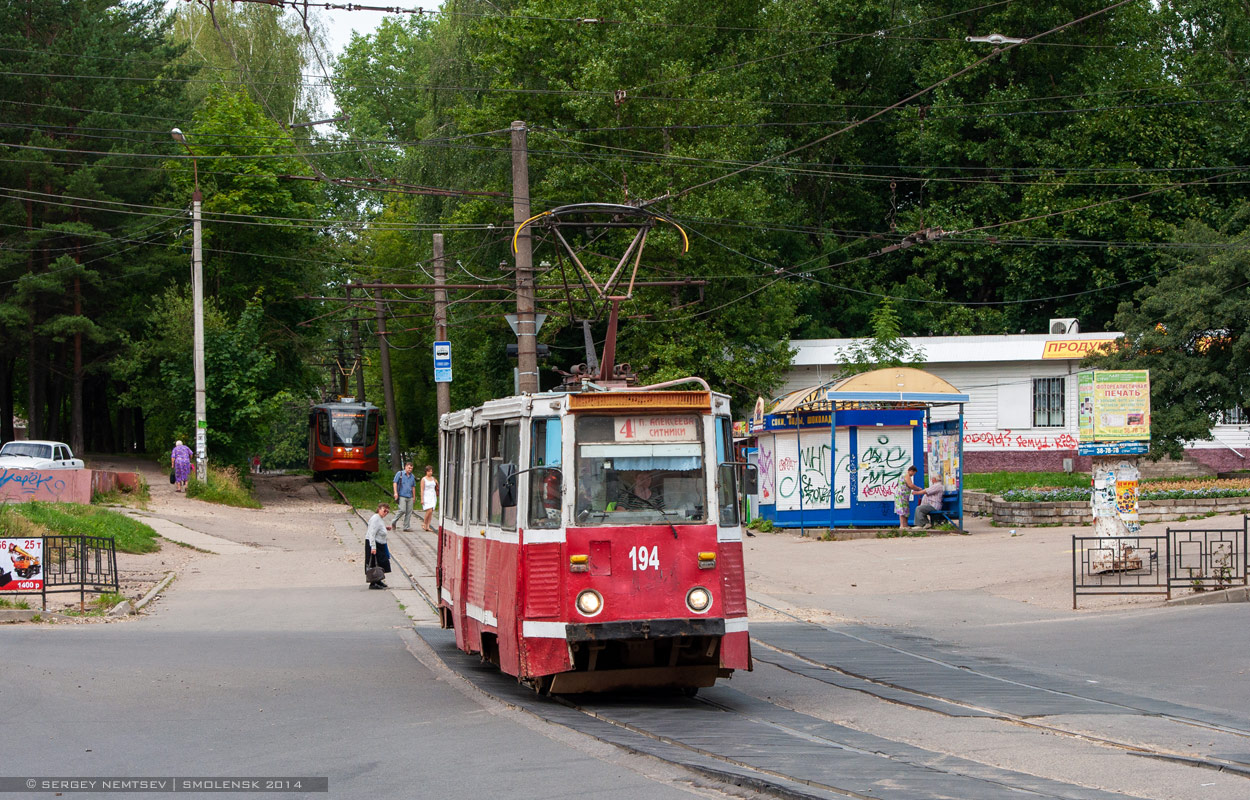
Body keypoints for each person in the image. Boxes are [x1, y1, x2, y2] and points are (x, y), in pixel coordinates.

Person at [365, 502, 392, 589]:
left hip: (380, 543)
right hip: (374, 543)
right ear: (379, 509)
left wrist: (385, 528)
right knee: (374, 563)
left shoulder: (379, 518)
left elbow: (378, 528)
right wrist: (373, 547)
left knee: (381, 562)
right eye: (384, 511)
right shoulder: (375, 518)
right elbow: (372, 533)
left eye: (387, 512)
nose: (385, 513)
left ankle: (378, 580)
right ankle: (373, 583)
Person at [392, 462, 416, 531]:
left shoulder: (412, 476)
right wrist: (395, 492)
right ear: (405, 467)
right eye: (409, 468)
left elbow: (413, 487)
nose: (410, 469)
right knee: (402, 510)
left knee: (409, 511)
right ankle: (394, 521)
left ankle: (406, 526)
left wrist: (414, 497)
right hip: (402, 495)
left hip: (410, 496)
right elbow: (395, 483)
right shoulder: (400, 474)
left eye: (411, 468)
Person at [419, 465, 439, 532]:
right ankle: (424, 523)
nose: (430, 472)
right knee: (429, 510)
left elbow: (436, 486)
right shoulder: (423, 479)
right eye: (429, 471)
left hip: (432, 496)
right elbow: (422, 489)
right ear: (426, 472)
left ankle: (428, 526)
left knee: (431, 511)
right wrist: (422, 498)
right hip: (426, 495)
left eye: (431, 471)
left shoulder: (434, 479)